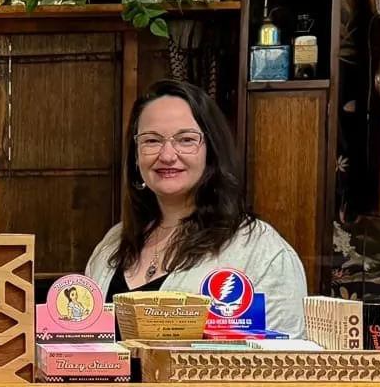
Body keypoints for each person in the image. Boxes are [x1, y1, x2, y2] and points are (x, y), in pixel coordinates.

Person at [83, 78, 308, 337]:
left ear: (211, 151)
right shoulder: (112, 244)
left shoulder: (260, 250)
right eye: (152, 141)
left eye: (186, 139)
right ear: (135, 156)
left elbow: (283, 362)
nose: (167, 155)